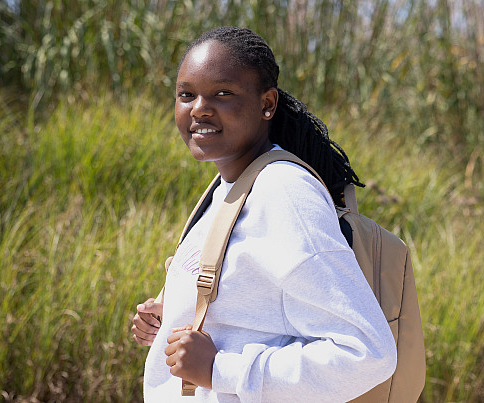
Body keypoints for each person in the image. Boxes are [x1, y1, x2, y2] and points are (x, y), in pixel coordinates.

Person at [130, 26, 397, 402]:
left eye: (223, 93)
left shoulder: (283, 191)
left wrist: (218, 369)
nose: (199, 107)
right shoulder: (227, 187)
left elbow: (367, 353)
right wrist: (170, 312)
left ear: (267, 104)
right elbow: (250, 308)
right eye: (186, 94)